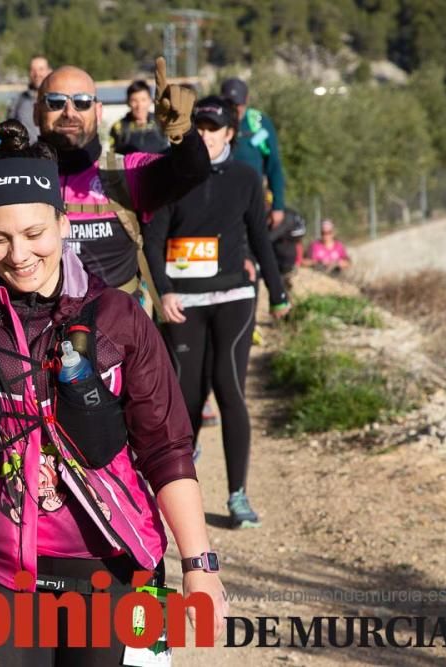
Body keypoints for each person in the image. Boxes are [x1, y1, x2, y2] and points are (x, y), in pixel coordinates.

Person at [0, 120, 228, 666]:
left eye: (34, 234)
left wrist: (199, 565)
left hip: (107, 562)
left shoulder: (117, 317)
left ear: (63, 224)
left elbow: (166, 448)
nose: (17, 254)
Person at [0, 59, 210, 317]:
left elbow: (191, 171)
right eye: (55, 102)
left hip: (115, 334)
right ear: (36, 112)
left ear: (99, 111)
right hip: (31, 341)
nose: (69, 112)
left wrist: (184, 134)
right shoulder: (8, 177)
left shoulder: (124, 172)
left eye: (82, 102)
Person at [142, 97, 291, 530]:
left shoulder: (246, 177)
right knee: (186, 398)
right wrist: (163, 292)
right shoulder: (173, 176)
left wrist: (278, 293)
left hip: (233, 296)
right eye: (199, 127)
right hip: (182, 301)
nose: (205, 134)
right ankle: (179, 489)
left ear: (230, 134)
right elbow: (153, 240)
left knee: (229, 388)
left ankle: (237, 495)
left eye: (213, 127)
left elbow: (260, 237)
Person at [220, 78, 287, 229]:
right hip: (220, 201)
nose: (235, 108)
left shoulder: (259, 123)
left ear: (246, 100)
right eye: (230, 104)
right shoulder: (214, 123)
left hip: (253, 202)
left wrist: (278, 205)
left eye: (238, 104)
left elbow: (274, 166)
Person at [108, 80, 169, 155]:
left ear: (150, 101)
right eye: (134, 101)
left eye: (143, 100)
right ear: (128, 102)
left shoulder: (162, 122)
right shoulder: (118, 127)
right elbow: (111, 159)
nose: (139, 106)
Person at [6, 55, 51, 143]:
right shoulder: (17, 101)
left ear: (49, 71)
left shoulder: (59, 101)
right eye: (33, 70)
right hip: (25, 154)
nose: (37, 74)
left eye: (41, 69)